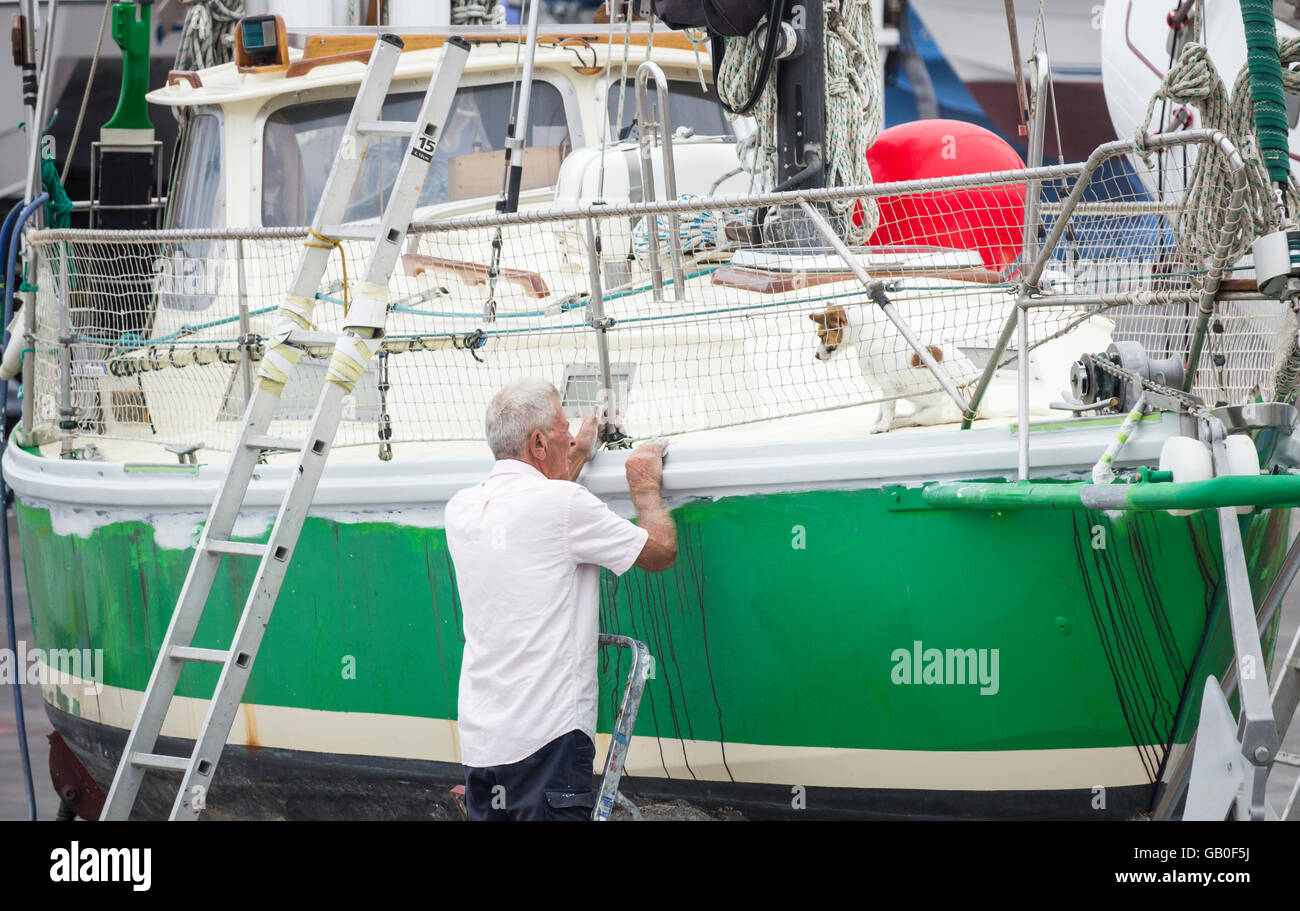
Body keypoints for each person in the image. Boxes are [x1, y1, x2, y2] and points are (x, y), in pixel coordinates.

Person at [445, 377, 677, 820]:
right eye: (562, 429)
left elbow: (538, 517)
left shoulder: (462, 509)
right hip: (547, 741)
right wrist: (644, 484)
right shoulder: (564, 506)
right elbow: (660, 553)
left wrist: (573, 456)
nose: (571, 437)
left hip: (482, 744)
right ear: (537, 442)